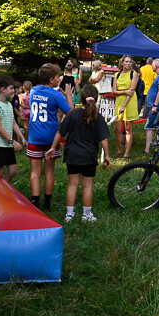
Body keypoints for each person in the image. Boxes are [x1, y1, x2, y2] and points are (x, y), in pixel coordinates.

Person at [50, 83, 111, 223]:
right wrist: (107, 156)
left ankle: (69, 215)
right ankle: (86, 215)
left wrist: (53, 147)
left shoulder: (72, 114)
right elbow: (104, 139)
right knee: (87, 186)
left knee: (72, 184)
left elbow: (60, 133)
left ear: (81, 99)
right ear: (96, 99)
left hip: (72, 154)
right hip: (89, 156)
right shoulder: (98, 117)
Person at [27, 64, 73, 211]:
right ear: (52, 79)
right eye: (58, 77)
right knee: (49, 170)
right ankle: (47, 202)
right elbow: (71, 113)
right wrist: (68, 96)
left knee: (35, 171)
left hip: (34, 136)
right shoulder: (57, 95)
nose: (60, 79)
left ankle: (35, 201)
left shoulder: (33, 91)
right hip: (51, 138)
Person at [0, 75, 25, 182]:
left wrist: (22, 138)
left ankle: (2, 187)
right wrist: (13, 141)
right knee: (0, 171)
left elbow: (14, 124)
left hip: (7, 143)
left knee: (13, 171)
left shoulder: (8, 105)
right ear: (3, 89)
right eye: (11, 88)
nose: (13, 90)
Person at [112, 56, 140, 161]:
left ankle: (126, 154)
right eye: (126, 61)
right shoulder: (117, 75)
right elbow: (114, 91)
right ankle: (120, 150)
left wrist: (124, 105)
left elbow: (131, 92)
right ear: (122, 63)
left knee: (128, 129)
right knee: (117, 129)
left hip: (130, 102)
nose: (128, 63)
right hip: (119, 101)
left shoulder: (134, 74)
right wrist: (124, 91)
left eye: (130, 62)